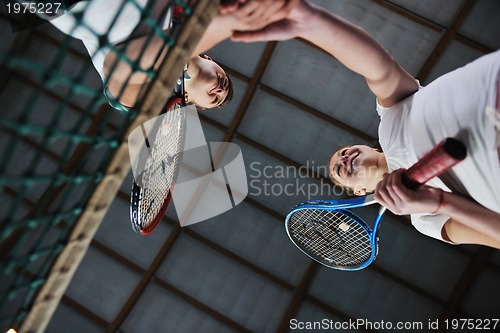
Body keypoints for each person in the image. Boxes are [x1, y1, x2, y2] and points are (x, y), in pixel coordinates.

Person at [232, 0, 500, 249]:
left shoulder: (390, 119)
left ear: (371, 148)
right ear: (360, 192)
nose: (345, 157)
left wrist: (314, 22)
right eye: (340, 167)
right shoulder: (423, 218)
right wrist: (441, 203)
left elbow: (380, 69)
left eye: (344, 151)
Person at [47, 0, 298, 110]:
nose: (221, 91)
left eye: (216, 101)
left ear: (188, 99)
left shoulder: (148, 96)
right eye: (227, 83)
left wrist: (227, 24)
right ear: (211, 59)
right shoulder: (189, 13)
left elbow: (119, 66)